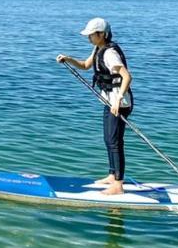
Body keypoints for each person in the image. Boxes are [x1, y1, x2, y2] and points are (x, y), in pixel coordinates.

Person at [57, 17, 134, 195]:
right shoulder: (98, 49)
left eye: (91, 35)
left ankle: (118, 184)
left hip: (119, 103)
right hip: (109, 101)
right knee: (108, 139)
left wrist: (118, 98)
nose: (89, 38)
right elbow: (85, 65)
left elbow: (127, 77)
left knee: (115, 142)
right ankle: (112, 175)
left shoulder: (110, 53)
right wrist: (68, 59)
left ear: (101, 34)